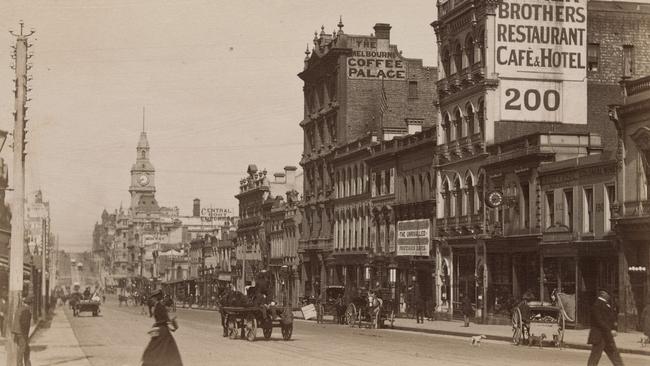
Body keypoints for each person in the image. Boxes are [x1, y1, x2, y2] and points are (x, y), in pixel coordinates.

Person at [141, 289, 183, 366]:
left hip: (162, 331)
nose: (151, 299)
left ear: (156, 298)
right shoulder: (157, 306)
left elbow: (165, 320)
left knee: (157, 349)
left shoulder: (160, 306)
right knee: (162, 350)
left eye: (153, 298)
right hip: (161, 330)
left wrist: (157, 324)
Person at [587, 289, 624, 366]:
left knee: (614, 355)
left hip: (606, 336)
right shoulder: (597, 305)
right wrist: (610, 330)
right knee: (595, 357)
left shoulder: (605, 304)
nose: (609, 297)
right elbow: (599, 321)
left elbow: (610, 318)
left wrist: (613, 328)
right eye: (608, 295)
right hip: (599, 336)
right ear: (604, 294)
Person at [12, 296, 33, 366]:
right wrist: (25, 335)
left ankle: (27, 363)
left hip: (17, 331)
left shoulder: (20, 309)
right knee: (22, 348)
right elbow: (24, 324)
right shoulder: (26, 310)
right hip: (22, 332)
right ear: (29, 304)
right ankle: (19, 364)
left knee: (26, 348)